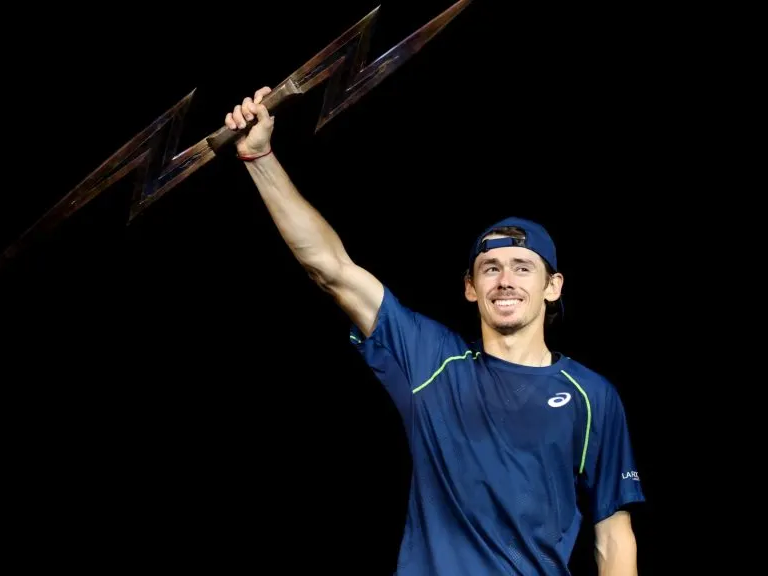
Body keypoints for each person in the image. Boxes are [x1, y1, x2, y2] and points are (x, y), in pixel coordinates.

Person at [224, 87, 645, 575]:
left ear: (553, 287)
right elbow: (330, 267)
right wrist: (259, 157)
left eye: (522, 267)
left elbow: (613, 539)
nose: (505, 280)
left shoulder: (592, 395)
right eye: (490, 268)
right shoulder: (430, 361)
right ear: (470, 287)